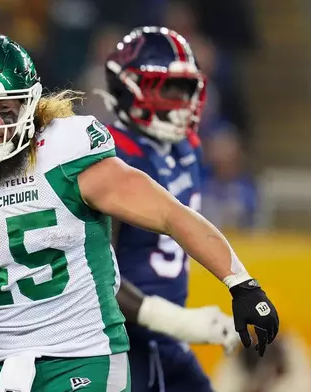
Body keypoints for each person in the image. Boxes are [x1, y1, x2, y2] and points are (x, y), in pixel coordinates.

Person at [0, 33, 279, 392]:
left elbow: (170, 215)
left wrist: (241, 283)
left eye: (4, 109)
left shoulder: (65, 151)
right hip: (2, 369)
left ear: (30, 106)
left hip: (85, 358)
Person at [97, 26, 242, 391]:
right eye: (164, 87)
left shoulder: (188, 147)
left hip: (166, 341)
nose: (179, 100)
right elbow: (94, 273)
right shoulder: (108, 155)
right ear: (126, 87)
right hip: (119, 340)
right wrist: (178, 321)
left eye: (184, 88)